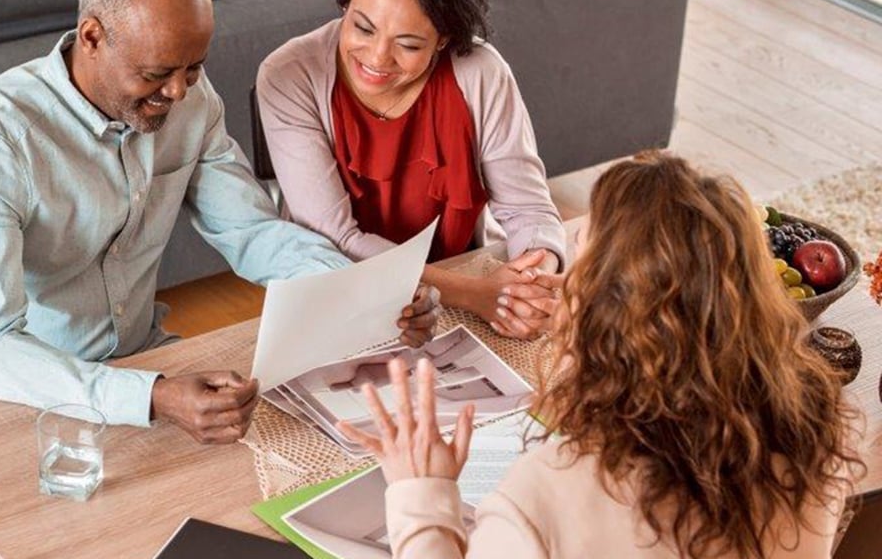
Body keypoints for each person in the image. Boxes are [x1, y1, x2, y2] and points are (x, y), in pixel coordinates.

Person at [0, 0, 441, 445]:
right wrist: (153, 398)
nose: (177, 92)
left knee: (286, 456)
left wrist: (366, 291)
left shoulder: (187, 97)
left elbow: (251, 230)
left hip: (138, 359)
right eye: (156, 73)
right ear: (92, 36)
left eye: (194, 68)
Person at [339, 151, 864, 558]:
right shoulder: (813, 434)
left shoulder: (543, 495)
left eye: (581, 268)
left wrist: (421, 495)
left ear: (607, 315)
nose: (561, 285)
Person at [256, 0, 564, 340]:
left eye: (409, 44)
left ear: (443, 40)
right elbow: (337, 238)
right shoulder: (289, 74)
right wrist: (477, 295)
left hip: (470, 274)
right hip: (343, 286)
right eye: (363, 28)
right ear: (345, 2)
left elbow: (528, 207)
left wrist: (534, 277)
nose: (377, 58)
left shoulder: (481, 73)